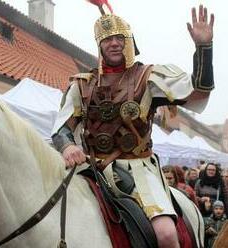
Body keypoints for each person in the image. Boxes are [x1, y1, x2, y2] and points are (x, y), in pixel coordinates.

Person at [51, 1, 214, 247]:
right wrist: (67, 147)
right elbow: (62, 128)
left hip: (138, 172)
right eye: (107, 39)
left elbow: (198, 92)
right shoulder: (82, 85)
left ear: (129, 42)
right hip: (91, 170)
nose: (114, 43)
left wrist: (204, 47)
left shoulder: (148, 78)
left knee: (166, 234)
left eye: (120, 38)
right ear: (99, 45)